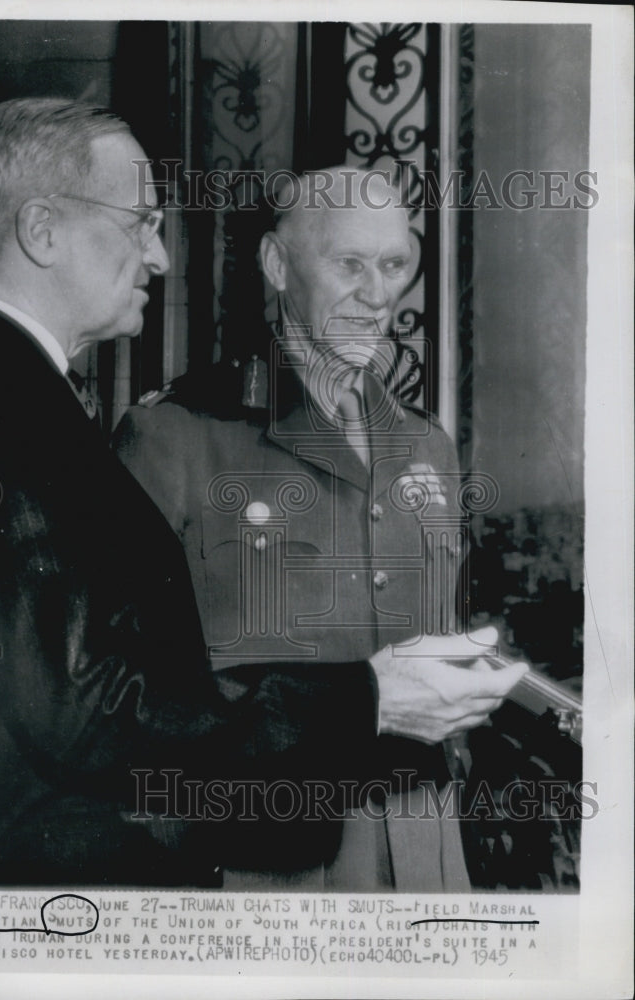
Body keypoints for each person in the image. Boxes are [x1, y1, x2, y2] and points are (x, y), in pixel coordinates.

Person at [115, 167, 527, 890]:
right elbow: (127, 690)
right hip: (268, 849)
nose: (378, 295)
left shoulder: (427, 443)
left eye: (395, 264)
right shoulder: (179, 435)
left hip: (423, 832)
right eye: (349, 264)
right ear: (278, 265)